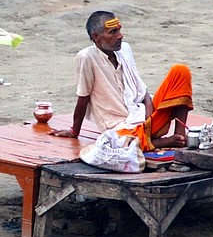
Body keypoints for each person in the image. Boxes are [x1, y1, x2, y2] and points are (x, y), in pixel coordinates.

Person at [49, 10, 193, 151]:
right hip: (121, 127)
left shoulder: (124, 49)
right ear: (96, 36)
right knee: (115, 142)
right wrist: (75, 131)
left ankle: (179, 135)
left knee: (180, 71)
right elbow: (83, 97)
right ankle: (156, 143)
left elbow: (142, 89)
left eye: (119, 30)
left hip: (145, 117)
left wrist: (148, 118)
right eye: (112, 32)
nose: (120, 36)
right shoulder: (86, 57)